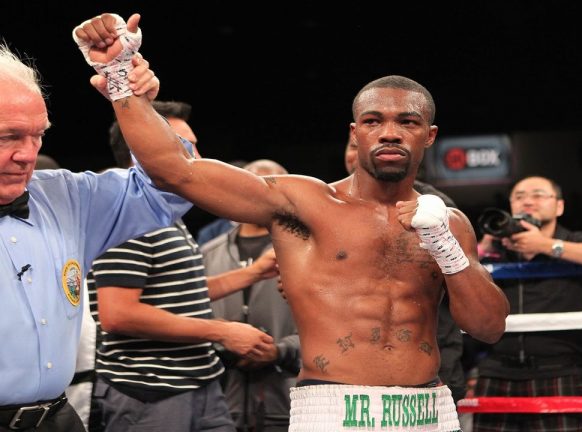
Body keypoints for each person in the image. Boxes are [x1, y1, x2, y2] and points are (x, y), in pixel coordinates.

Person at [77, 15, 510, 431]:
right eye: (373, 121)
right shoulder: (303, 204)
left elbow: (488, 327)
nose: (390, 132)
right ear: (355, 133)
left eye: (407, 122)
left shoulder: (448, 222)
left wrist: (445, 247)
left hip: (427, 411)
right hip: (333, 409)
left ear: (429, 135)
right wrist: (120, 78)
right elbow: (177, 170)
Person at [0, 20, 191, 431]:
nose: (27, 155)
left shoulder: (65, 197)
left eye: (38, 136)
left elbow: (175, 188)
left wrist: (128, 95)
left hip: (59, 419)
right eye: (7, 137)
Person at [88, 101, 278, 432]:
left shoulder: (164, 212)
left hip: (200, 385)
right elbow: (118, 314)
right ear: (142, 149)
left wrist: (254, 273)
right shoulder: (125, 215)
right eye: (185, 146)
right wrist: (222, 331)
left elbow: (179, 292)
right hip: (151, 394)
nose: (197, 158)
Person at [473, 175, 582, 432]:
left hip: (559, 369)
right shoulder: (499, 247)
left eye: (538, 195)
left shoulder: (572, 239)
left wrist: (546, 245)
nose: (528, 201)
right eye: (519, 197)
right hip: (498, 369)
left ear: (559, 206)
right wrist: (483, 248)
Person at [344, 136, 468, 404]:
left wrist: (442, 242)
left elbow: (461, 289)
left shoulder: (434, 206)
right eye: (354, 146)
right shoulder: (329, 206)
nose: (360, 153)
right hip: (347, 368)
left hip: (427, 358)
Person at [201, 159, 300, 432]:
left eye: (270, 189)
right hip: (220, 404)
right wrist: (221, 341)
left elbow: (330, 326)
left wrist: (280, 351)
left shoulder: (308, 251)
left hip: (288, 401)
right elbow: (190, 315)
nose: (259, 196)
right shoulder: (208, 252)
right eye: (250, 187)